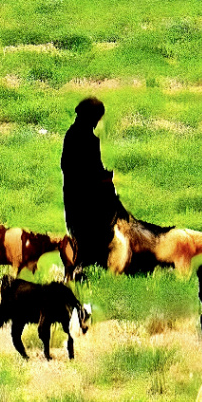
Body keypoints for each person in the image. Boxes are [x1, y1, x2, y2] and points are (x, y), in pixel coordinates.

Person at [61, 97, 128, 274]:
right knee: (94, 234)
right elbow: (92, 172)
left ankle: (80, 267)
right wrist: (104, 179)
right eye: (96, 118)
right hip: (88, 199)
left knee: (81, 235)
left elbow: (68, 166)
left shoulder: (71, 135)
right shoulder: (88, 139)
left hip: (73, 197)